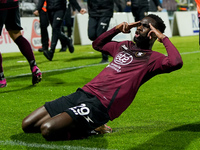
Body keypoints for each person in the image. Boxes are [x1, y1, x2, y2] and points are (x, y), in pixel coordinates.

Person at [22, 14, 183, 141]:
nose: (139, 28)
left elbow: (176, 62)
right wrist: (117, 30)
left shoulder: (153, 59)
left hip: (100, 105)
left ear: (153, 34)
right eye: (139, 24)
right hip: (82, 94)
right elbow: (97, 44)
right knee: (27, 125)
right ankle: (77, 120)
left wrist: (163, 38)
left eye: (145, 26)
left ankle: (92, 129)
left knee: (47, 129)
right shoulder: (123, 46)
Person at [0, 0, 42, 88]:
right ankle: (34, 67)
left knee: (16, 35)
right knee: (16, 35)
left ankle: (1, 78)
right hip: (13, 3)